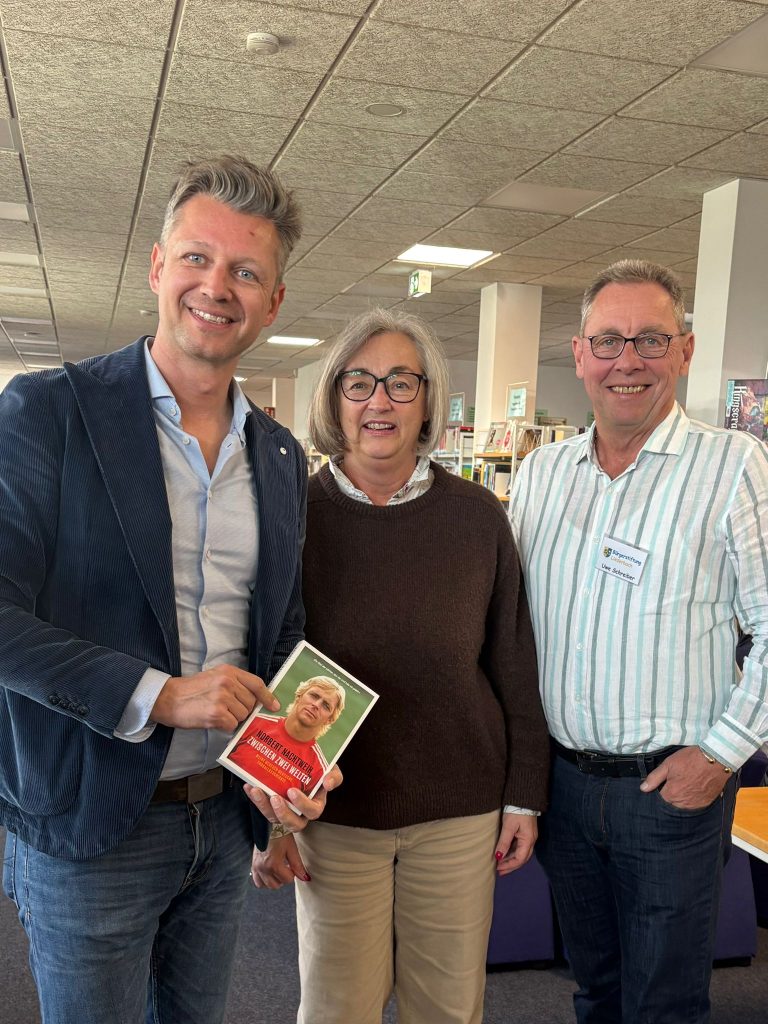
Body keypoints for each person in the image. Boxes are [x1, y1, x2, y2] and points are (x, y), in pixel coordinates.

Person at [0, 154, 338, 1024]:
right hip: (90, 823)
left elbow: (279, 630)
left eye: (246, 272)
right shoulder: (49, 413)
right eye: (196, 257)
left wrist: (284, 771)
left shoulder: (278, 455)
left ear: (273, 302)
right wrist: (160, 695)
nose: (217, 287)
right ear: (157, 267)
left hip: (220, 822)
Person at [251, 307, 550, 1024]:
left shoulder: (478, 516)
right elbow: (263, 667)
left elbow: (513, 660)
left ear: (427, 401)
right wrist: (271, 822)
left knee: (447, 1008)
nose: (378, 401)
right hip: (332, 813)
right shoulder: (291, 516)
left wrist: (523, 797)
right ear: (334, 400)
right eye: (358, 382)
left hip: (459, 810)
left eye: (400, 382)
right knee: (336, 1007)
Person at [509, 258, 768, 1024]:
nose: (628, 361)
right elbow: (505, 623)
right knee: (595, 988)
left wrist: (721, 754)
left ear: (684, 351)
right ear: (579, 355)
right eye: (609, 341)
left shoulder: (735, 467)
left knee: (664, 1003)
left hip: (670, 793)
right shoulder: (542, 473)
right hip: (562, 788)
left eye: (651, 340)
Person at [228, 676, 344, 796]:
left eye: (326, 706)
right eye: (314, 696)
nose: (316, 705)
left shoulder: (318, 769)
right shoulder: (254, 723)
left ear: (329, 720)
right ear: (300, 695)